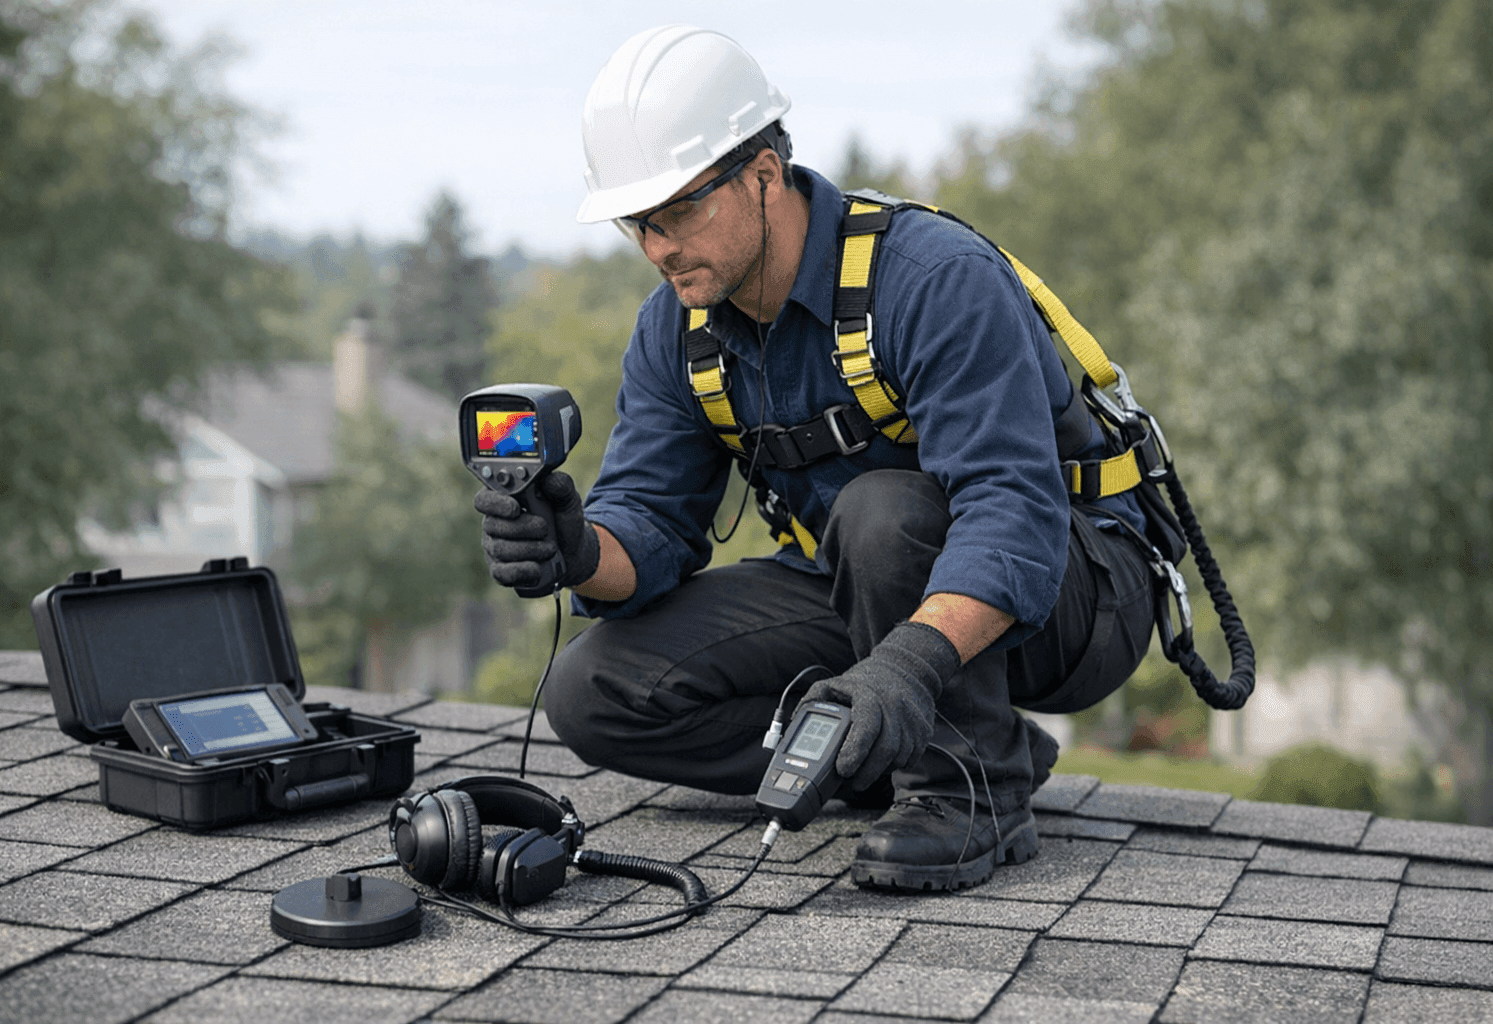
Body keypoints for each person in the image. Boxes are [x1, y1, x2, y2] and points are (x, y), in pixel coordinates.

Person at [474, 24, 1158, 891]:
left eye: (681, 209)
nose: (658, 247)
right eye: (637, 222)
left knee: (881, 512)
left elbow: (1010, 516)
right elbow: (646, 525)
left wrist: (908, 663)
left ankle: (968, 793)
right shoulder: (676, 330)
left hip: (1074, 588)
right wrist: (576, 550)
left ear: (763, 174)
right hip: (866, 587)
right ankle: (882, 752)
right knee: (594, 694)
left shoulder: (930, 279)